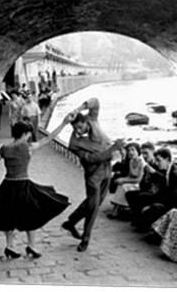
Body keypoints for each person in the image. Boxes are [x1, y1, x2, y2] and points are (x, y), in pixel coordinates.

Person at [0, 116, 72, 259]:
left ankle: (9, 246)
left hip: (7, 186)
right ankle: (31, 246)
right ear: (24, 133)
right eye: (29, 133)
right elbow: (49, 138)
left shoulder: (4, 148)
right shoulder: (27, 146)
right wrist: (64, 123)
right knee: (31, 215)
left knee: (8, 216)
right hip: (23, 185)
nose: (30, 136)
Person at [61, 97, 124, 252]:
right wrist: (113, 148)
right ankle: (85, 238)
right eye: (75, 129)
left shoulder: (92, 119)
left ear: (85, 122)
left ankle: (71, 221)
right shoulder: (74, 144)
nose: (78, 131)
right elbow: (93, 158)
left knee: (94, 203)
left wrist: (78, 108)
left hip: (107, 170)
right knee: (93, 206)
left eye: (80, 127)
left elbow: (95, 101)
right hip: (93, 175)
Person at [137, 148, 177, 232]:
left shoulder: (175, 174)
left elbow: (174, 196)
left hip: (175, 204)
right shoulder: (168, 170)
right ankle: (145, 226)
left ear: (167, 159)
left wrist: (153, 205)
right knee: (143, 197)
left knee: (155, 207)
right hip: (167, 199)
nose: (157, 163)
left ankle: (153, 229)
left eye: (159, 160)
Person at [126, 142, 164, 222]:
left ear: (153, 151)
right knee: (129, 194)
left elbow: (164, 179)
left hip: (158, 193)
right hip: (148, 190)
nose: (144, 156)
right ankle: (137, 217)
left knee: (141, 196)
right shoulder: (147, 165)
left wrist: (154, 173)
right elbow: (143, 182)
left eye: (146, 153)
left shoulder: (159, 164)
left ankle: (141, 220)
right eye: (143, 153)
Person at [107, 142, 144, 219]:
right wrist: (122, 179)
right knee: (121, 184)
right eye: (129, 150)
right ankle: (116, 209)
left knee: (124, 186)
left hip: (140, 184)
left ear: (138, 151)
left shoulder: (141, 162)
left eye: (133, 150)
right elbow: (129, 176)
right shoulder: (131, 161)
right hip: (133, 182)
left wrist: (124, 180)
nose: (131, 152)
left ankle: (116, 210)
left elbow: (139, 179)